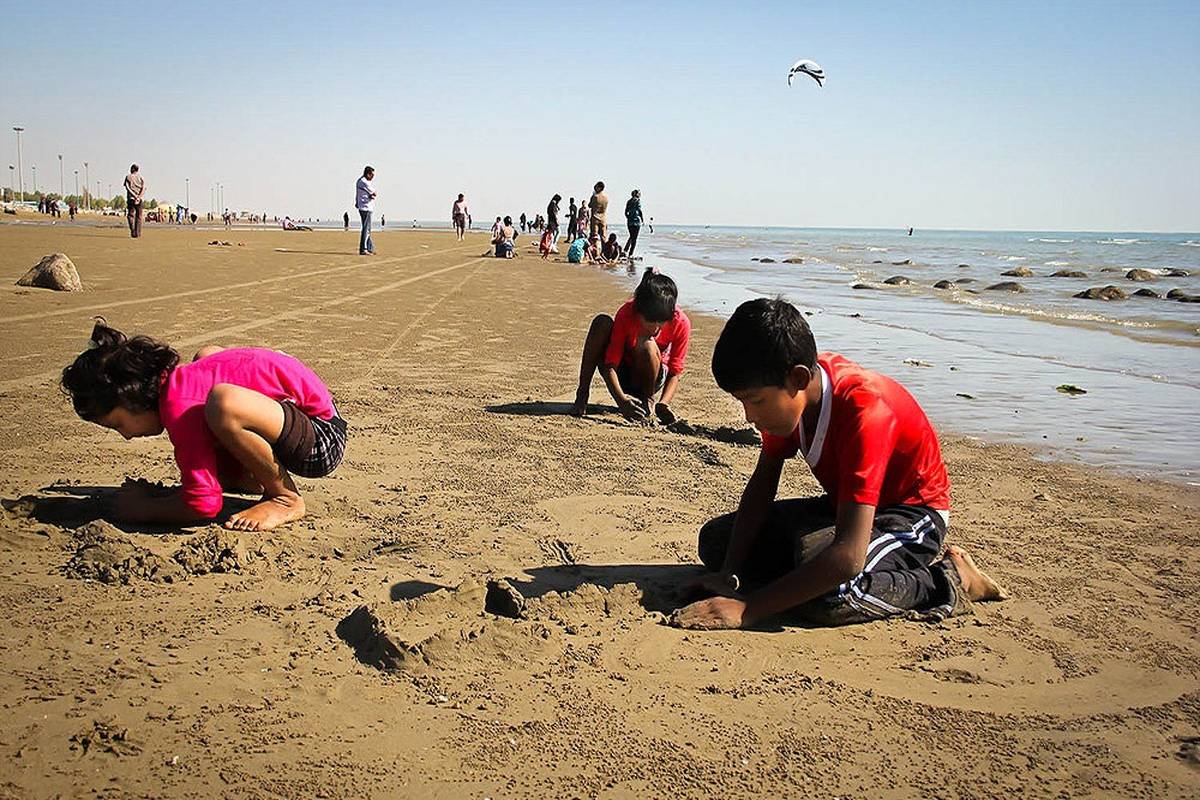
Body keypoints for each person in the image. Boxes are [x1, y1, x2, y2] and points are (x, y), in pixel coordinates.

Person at [670, 298, 1008, 631]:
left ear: (798, 379)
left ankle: (949, 579)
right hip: (846, 506)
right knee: (717, 542)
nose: (749, 416)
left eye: (756, 401)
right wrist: (729, 573)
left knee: (830, 593)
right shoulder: (793, 400)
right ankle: (806, 566)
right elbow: (763, 486)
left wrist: (749, 609)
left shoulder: (865, 409)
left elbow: (848, 557)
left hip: (911, 514)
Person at [60, 319, 349, 532]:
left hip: (322, 440)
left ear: (131, 399)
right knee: (207, 357)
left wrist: (143, 508)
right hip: (297, 422)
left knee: (223, 404)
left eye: (118, 424)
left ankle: (284, 497)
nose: (125, 436)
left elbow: (203, 503)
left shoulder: (178, 407)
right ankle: (243, 477)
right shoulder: (177, 384)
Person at [571, 268, 689, 423]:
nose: (656, 329)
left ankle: (648, 400)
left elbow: (675, 372)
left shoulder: (681, 322)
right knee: (601, 323)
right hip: (623, 374)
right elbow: (610, 365)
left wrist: (663, 403)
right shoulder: (627, 313)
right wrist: (621, 401)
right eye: (650, 323)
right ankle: (582, 392)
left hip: (651, 378)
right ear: (638, 312)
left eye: (661, 323)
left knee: (648, 344)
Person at [355, 165, 377, 255]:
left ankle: (369, 248)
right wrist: (371, 195)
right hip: (365, 207)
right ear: (368, 174)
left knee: (367, 228)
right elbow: (374, 193)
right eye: (372, 175)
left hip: (365, 206)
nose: (372, 177)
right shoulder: (364, 182)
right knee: (366, 229)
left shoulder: (361, 181)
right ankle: (363, 249)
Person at [124, 164, 145, 238]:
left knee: (130, 215)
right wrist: (139, 197)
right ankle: (137, 233)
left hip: (131, 199)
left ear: (132, 169)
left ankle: (133, 230)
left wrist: (134, 196)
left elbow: (127, 188)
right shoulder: (141, 178)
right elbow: (143, 188)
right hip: (139, 199)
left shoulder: (128, 177)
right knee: (139, 216)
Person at [624, 189, 645, 258]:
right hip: (636, 221)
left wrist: (629, 217)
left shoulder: (629, 201)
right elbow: (640, 211)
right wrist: (642, 219)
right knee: (634, 238)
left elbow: (625, 212)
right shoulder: (638, 201)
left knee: (631, 236)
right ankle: (631, 253)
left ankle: (626, 250)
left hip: (630, 222)